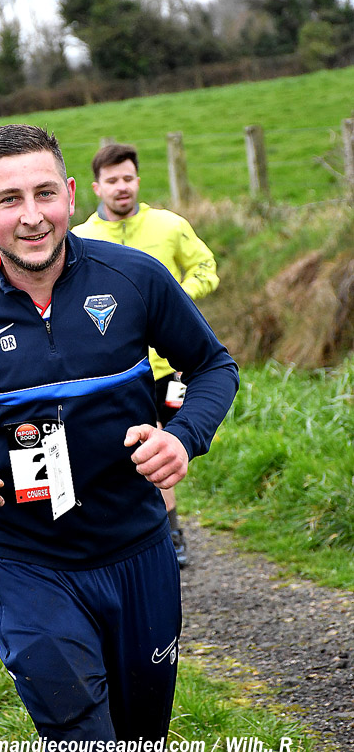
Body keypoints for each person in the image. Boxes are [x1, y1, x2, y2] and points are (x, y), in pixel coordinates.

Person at [0, 124, 238, 752]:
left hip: (138, 555)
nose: (32, 216)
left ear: (71, 194)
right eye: (9, 199)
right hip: (30, 563)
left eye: (45, 193)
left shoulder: (135, 279)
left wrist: (183, 436)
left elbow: (213, 365)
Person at [72, 142, 220, 567]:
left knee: (162, 449)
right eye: (112, 181)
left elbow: (206, 268)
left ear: (138, 181)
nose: (122, 187)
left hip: (172, 369)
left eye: (128, 178)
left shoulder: (170, 226)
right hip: (119, 372)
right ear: (96, 188)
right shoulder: (80, 239)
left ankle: (161, 531)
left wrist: (175, 300)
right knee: (141, 446)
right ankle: (164, 534)